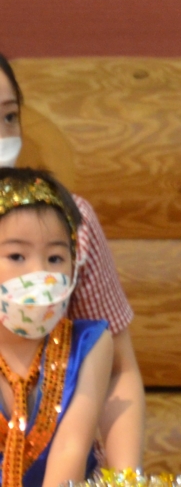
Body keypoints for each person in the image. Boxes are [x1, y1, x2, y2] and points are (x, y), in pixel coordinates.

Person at [0, 55, 144, 470]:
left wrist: (124, 478)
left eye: (9, 117)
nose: (3, 135)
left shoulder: (71, 219)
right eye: (16, 254)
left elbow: (117, 371)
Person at [0, 167, 113, 486]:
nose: (40, 273)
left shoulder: (91, 345)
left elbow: (70, 450)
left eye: (55, 259)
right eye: (17, 256)